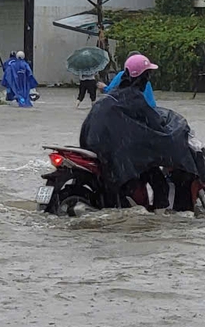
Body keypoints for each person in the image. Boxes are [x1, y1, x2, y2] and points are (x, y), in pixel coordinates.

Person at [80, 54, 197, 210]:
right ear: (142, 77)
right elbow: (155, 123)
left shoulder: (113, 96)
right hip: (115, 152)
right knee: (159, 182)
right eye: (147, 75)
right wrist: (174, 132)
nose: (148, 79)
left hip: (93, 146)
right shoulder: (134, 98)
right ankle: (159, 220)